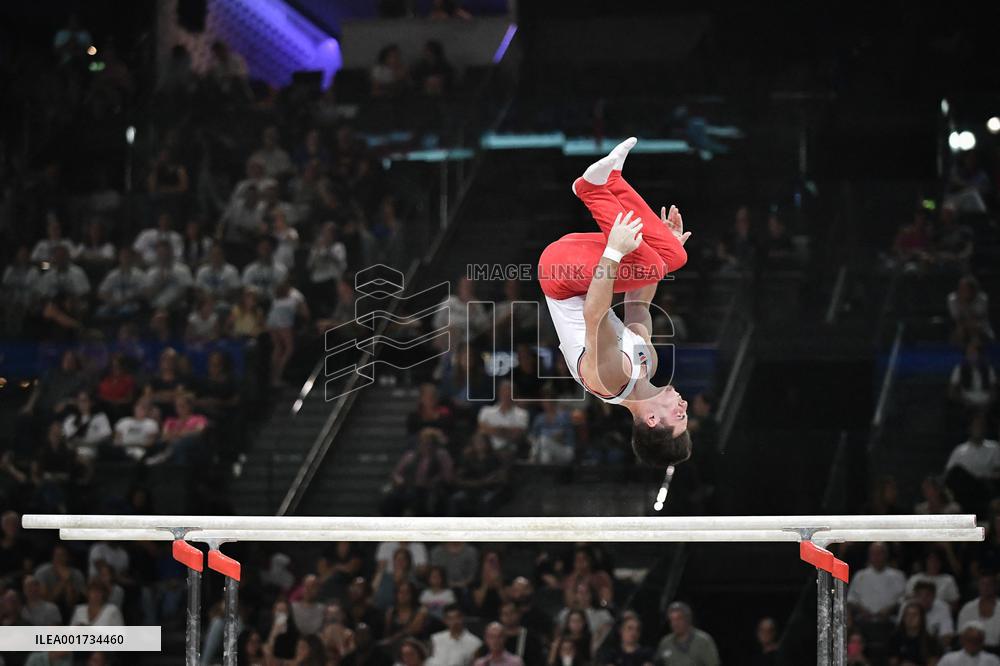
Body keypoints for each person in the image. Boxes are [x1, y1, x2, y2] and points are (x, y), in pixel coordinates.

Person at [538, 138, 691, 468]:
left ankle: (591, 190)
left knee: (656, 262)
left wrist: (615, 252)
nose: (684, 407)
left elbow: (595, 315)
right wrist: (660, 243)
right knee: (673, 255)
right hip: (585, 271)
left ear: (652, 420)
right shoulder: (646, 362)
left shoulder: (608, 380)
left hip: (560, 275)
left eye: (678, 417)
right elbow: (637, 307)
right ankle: (612, 182)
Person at [848, 542, 907, 626]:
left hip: (890, 622)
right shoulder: (860, 575)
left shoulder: (898, 575)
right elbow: (851, 598)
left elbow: (903, 599)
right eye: (873, 553)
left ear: (886, 555)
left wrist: (890, 609)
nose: (877, 557)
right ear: (869, 556)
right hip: (864, 622)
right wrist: (862, 610)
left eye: (880, 553)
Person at [477, 380, 529, 461]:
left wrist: (492, 429)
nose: (506, 394)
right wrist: (506, 431)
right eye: (504, 391)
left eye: (509, 392)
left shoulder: (522, 414)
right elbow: (482, 429)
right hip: (489, 449)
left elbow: (517, 434)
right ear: (499, 393)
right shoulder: (486, 411)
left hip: (510, 449)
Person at [654, 602, 719, 666]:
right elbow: (658, 662)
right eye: (672, 620)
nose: (675, 623)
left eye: (679, 619)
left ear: (688, 619)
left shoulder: (703, 641)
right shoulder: (665, 642)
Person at [957, 574, 1000, 651]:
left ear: (996, 586)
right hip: (971, 649)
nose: (986, 587)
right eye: (982, 584)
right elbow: (961, 634)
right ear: (978, 586)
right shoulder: (967, 608)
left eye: (989, 584)